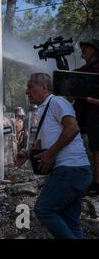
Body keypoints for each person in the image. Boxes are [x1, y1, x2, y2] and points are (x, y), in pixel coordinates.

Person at [16, 73, 91, 239]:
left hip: (70, 169)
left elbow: (72, 128)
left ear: (44, 87)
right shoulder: (45, 109)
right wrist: (27, 153)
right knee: (71, 223)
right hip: (76, 171)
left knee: (44, 210)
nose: (27, 91)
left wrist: (50, 154)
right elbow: (44, 141)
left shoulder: (56, 101)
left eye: (30, 86)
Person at [73, 39, 99, 196]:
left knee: (97, 150)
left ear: (94, 50)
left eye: (86, 47)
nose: (82, 50)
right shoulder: (85, 69)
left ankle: (97, 183)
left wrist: (94, 101)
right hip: (85, 117)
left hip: (96, 117)